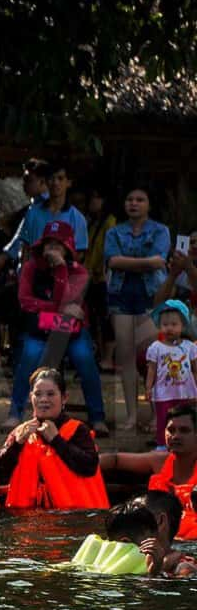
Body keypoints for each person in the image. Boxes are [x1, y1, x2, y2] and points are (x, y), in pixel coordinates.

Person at [3, 221, 108, 436]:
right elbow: (25, 301)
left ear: (67, 249)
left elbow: (69, 301)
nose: (52, 250)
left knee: (84, 358)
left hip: (71, 331)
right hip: (40, 328)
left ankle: (97, 416)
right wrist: (56, 309)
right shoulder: (31, 267)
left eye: (58, 245)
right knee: (29, 357)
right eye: (48, 244)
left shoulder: (79, 272)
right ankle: (15, 412)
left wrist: (60, 269)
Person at [0, 367, 108, 509]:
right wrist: (16, 444)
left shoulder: (78, 430)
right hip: (27, 520)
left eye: (51, 394)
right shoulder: (21, 433)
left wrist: (57, 441)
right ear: (30, 397)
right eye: (38, 394)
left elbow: (90, 466)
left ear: (64, 397)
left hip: (71, 518)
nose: (43, 399)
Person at [104, 185, 170, 432]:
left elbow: (160, 261)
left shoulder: (160, 230)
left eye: (140, 199)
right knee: (126, 358)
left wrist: (128, 263)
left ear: (149, 204)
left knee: (152, 357)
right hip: (121, 297)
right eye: (130, 199)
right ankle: (131, 416)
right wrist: (146, 263)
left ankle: (156, 414)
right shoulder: (115, 232)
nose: (134, 203)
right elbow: (113, 261)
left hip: (150, 298)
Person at [100, 403, 197, 539]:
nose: (175, 436)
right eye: (171, 430)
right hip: (156, 542)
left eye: (184, 430)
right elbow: (115, 460)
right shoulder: (158, 461)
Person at [0, 161, 89, 270]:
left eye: (60, 178)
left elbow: (80, 255)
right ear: (46, 182)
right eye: (51, 178)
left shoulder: (77, 218)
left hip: (61, 279)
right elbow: (25, 248)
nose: (55, 183)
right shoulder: (33, 212)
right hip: (34, 278)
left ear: (68, 182)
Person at [0, 158, 53, 280]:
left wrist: (4, 257)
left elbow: (24, 236)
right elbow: (21, 234)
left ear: (42, 182)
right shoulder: (35, 206)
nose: (24, 184)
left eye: (29, 180)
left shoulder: (47, 208)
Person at [144, 300, 197, 449]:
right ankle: (162, 444)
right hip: (163, 393)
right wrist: (148, 388)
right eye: (165, 325)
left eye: (174, 324)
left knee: (187, 418)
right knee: (163, 419)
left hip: (186, 393)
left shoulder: (189, 347)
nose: (169, 328)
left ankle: (188, 444)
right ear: (159, 326)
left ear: (183, 325)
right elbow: (152, 369)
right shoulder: (155, 348)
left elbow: (195, 369)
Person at [104, 492, 197, 578]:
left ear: (160, 521)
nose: (128, 516)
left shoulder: (183, 568)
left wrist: (155, 572)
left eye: (139, 514)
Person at [82, 184, 117, 368]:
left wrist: (98, 269)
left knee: (105, 318)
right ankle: (100, 355)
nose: (92, 202)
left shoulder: (109, 221)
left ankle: (108, 358)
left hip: (102, 276)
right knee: (94, 318)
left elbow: (105, 249)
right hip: (89, 275)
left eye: (97, 198)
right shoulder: (91, 222)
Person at [154, 228, 197, 306]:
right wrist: (173, 275)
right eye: (192, 242)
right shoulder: (176, 268)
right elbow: (158, 304)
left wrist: (189, 267)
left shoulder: (187, 267)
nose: (195, 246)